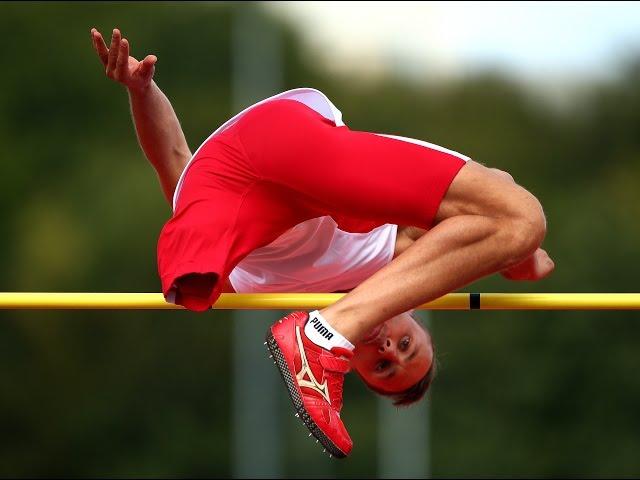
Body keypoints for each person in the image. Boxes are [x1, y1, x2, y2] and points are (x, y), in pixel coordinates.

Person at [90, 28, 555, 458]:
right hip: (292, 144)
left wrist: (142, 91)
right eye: (408, 344)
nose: (390, 349)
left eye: (384, 367)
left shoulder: (252, 288)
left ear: (351, 368)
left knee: (516, 221)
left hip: (228, 179)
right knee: (517, 218)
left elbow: (175, 164)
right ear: (412, 310)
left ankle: (327, 331)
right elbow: (496, 193)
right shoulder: (400, 249)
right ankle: (327, 331)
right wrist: (518, 254)